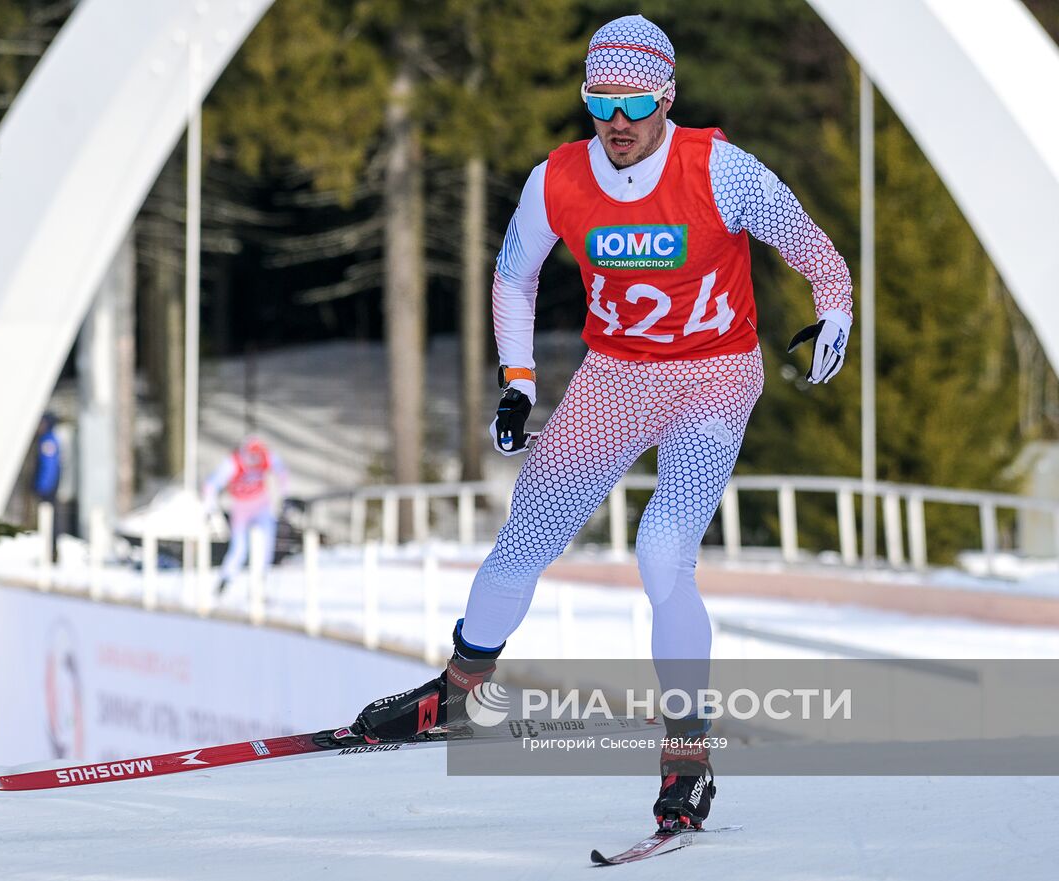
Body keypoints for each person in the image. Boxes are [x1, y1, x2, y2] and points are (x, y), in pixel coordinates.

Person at [350, 15, 853, 834]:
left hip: (714, 374)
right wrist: (518, 382)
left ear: (666, 95)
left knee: (662, 549)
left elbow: (808, 242)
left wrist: (835, 308)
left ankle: (688, 750)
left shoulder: (718, 168)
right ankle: (459, 692)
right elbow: (513, 279)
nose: (616, 120)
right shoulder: (558, 178)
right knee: (526, 536)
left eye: (633, 100)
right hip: (617, 374)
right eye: (599, 100)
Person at [203, 436, 288, 594]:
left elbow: (282, 474)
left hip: (262, 506)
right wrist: (210, 507)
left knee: (266, 544)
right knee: (239, 547)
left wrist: (281, 499)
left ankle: (260, 581)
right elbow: (211, 484)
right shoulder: (234, 461)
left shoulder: (267, 457)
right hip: (240, 507)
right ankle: (226, 580)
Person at [34, 412, 62, 561]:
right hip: (48, 487)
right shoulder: (47, 440)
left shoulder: (48, 442)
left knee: (49, 521)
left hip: (48, 489)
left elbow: (49, 467)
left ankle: (51, 553)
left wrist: (42, 487)